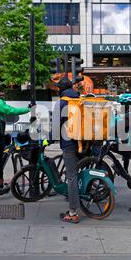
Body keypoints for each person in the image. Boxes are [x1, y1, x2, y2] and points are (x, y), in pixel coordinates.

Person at [0, 82, 30, 196]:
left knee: (2, 145)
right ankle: (0, 186)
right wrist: (27, 109)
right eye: (1, 91)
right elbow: (10, 111)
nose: (3, 93)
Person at [55, 76, 82, 223]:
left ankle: (73, 212)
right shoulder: (80, 100)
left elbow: (55, 125)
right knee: (77, 172)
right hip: (84, 143)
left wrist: (50, 138)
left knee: (71, 177)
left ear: (61, 89)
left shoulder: (61, 103)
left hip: (69, 144)